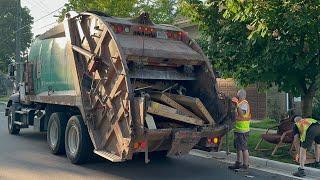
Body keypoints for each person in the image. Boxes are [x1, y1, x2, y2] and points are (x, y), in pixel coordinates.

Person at [228, 89, 251, 171]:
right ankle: (238, 163)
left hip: (243, 130)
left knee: (244, 148)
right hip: (238, 129)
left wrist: (237, 105)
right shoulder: (240, 103)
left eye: (238, 95)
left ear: (242, 96)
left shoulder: (244, 104)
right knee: (238, 147)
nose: (237, 96)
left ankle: (245, 165)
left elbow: (242, 114)